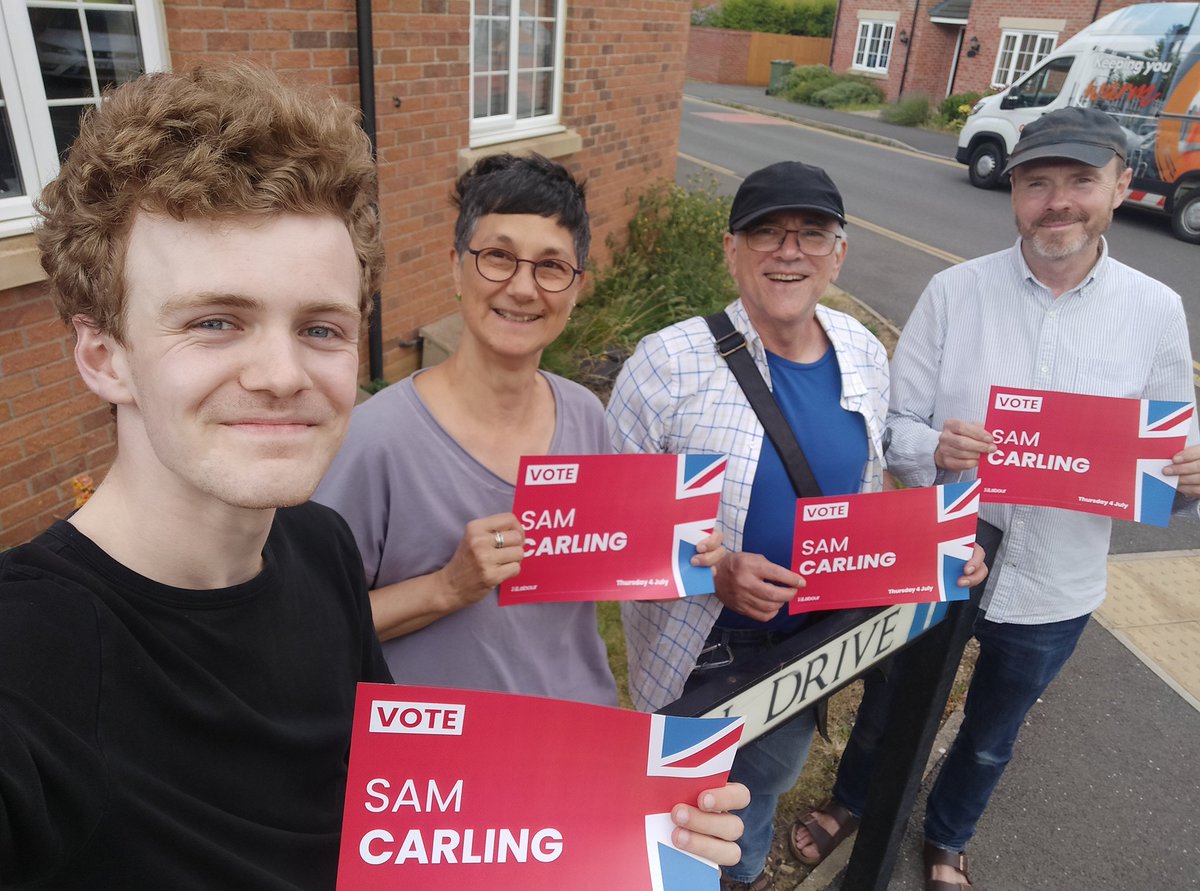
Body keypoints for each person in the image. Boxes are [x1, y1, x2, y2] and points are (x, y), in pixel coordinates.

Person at [0, 69, 745, 888]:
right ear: (103, 355)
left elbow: (395, 807)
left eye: (320, 326)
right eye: (216, 321)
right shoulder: (30, 663)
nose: (282, 373)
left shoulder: (317, 548)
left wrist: (626, 815)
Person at [790, 106, 1200, 891]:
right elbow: (894, 427)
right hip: (937, 558)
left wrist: (1186, 484)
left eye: (1081, 180)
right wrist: (933, 448)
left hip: (1056, 582)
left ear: (1120, 184)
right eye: (1037, 182)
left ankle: (948, 837)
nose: (1059, 202)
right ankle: (853, 802)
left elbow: (1170, 477)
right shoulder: (955, 292)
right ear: (1013, 191)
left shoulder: (1155, 311)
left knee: (989, 734)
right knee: (886, 705)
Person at [606, 160, 989, 891]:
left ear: (838, 253)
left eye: (811, 234)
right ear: (731, 250)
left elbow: (870, 488)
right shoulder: (664, 364)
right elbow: (614, 532)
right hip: (700, 644)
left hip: (813, 639)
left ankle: (742, 876)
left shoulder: (863, 354)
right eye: (766, 233)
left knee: (764, 783)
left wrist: (941, 548)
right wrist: (715, 570)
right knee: (677, 806)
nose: (789, 250)